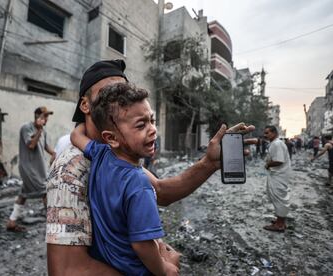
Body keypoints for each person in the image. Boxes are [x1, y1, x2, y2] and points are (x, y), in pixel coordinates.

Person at [46, 59, 256, 275]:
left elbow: (161, 190)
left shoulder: (110, 154)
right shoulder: (70, 168)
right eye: (109, 92)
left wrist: (209, 163)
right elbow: (66, 270)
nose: (118, 97)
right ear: (85, 105)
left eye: (124, 91)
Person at [71, 83, 178, 275]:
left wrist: (87, 117)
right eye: (141, 125)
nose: (153, 129)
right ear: (111, 138)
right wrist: (165, 269)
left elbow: (75, 135)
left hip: (108, 262)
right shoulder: (138, 183)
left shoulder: (100, 154)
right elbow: (142, 245)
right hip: (135, 269)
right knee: (175, 260)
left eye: (152, 120)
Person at [6, 107, 56, 232]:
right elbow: (31, 145)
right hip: (29, 168)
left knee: (23, 194)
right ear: (37, 117)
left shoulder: (43, 131)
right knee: (45, 191)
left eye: (47, 117)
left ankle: (12, 222)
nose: (46, 120)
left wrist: (55, 153)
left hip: (38, 168)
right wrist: (39, 130)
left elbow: (45, 146)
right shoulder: (26, 128)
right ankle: (53, 223)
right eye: (44, 117)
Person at [263, 125, 291, 232]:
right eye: (264, 133)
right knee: (277, 197)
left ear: (274, 133)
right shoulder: (274, 143)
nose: (265, 135)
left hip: (279, 175)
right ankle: (280, 221)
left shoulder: (277, 144)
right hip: (277, 174)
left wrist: (268, 164)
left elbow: (279, 160)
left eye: (267, 133)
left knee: (279, 198)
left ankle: (280, 225)